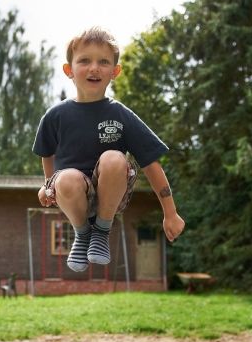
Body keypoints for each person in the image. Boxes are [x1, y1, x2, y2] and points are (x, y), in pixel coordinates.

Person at [32, 26, 184, 272]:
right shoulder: (55, 116)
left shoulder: (121, 115)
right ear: (69, 70)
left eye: (103, 62)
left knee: (114, 159)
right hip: (72, 194)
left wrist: (171, 212)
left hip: (111, 193)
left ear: (115, 72)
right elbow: (46, 151)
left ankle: (101, 231)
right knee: (67, 178)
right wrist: (48, 185)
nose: (94, 68)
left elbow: (151, 163)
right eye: (85, 61)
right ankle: (82, 235)